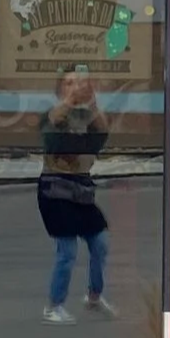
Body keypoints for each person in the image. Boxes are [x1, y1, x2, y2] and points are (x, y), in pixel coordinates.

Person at [36, 69, 112, 323]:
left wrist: (91, 100)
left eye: (80, 83)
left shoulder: (89, 116)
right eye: (68, 83)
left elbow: (102, 130)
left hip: (82, 188)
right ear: (60, 88)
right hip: (55, 188)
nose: (75, 87)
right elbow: (52, 125)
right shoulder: (51, 114)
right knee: (67, 251)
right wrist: (69, 100)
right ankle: (53, 305)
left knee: (100, 242)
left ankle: (93, 296)